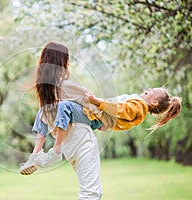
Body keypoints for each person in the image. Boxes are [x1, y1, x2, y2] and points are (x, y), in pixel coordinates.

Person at [21, 87, 182, 174]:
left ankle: (56, 151)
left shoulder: (139, 107)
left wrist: (96, 101)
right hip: (95, 116)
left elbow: (120, 109)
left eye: (152, 91)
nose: (148, 89)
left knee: (64, 106)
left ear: (153, 102)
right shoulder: (138, 104)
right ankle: (35, 155)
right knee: (46, 109)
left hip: (94, 118)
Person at [21, 41, 103, 199]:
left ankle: (35, 154)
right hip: (82, 140)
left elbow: (46, 120)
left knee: (93, 192)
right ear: (61, 63)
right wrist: (104, 121)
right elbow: (94, 105)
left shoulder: (46, 91)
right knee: (91, 193)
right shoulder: (68, 86)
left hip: (68, 146)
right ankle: (51, 152)